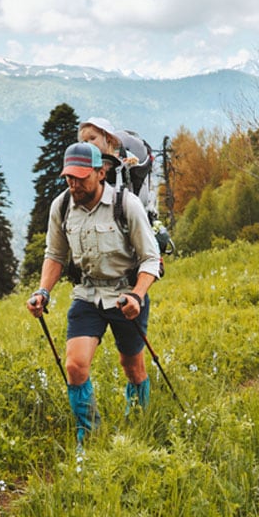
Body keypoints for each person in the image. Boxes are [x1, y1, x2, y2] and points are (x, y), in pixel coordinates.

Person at [26, 142, 161, 446]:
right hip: (87, 294)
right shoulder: (61, 207)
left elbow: (151, 260)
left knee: (133, 367)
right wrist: (43, 292)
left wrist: (137, 297)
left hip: (126, 295)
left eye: (80, 177)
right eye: (69, 178)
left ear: (101, 173)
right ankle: (89, 436)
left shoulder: (125, 205)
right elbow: (55, 255)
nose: (73, 184)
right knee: (75, 365)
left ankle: (140, 422)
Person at [78, 116, 157, 220]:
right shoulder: (91, 162)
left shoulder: (123, 157)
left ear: (108, 138)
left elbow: (133, 163)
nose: (89, 144)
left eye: (93, 138)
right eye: (85, 141)